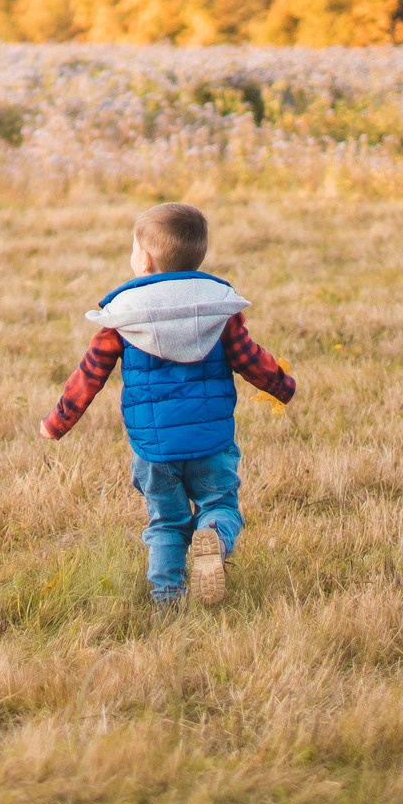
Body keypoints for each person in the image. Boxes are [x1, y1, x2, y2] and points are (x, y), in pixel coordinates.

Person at [40, 203, 295, 606]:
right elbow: (250, 359)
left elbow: (89, 375)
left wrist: (57, 421)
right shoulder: (217, 309)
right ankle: (213, 533)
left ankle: (167, 601)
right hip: (212, 441)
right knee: (220, 504)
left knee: (166, 524)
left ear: (144, 259)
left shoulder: (123, 316)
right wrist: (282, 385)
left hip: (154, 450)